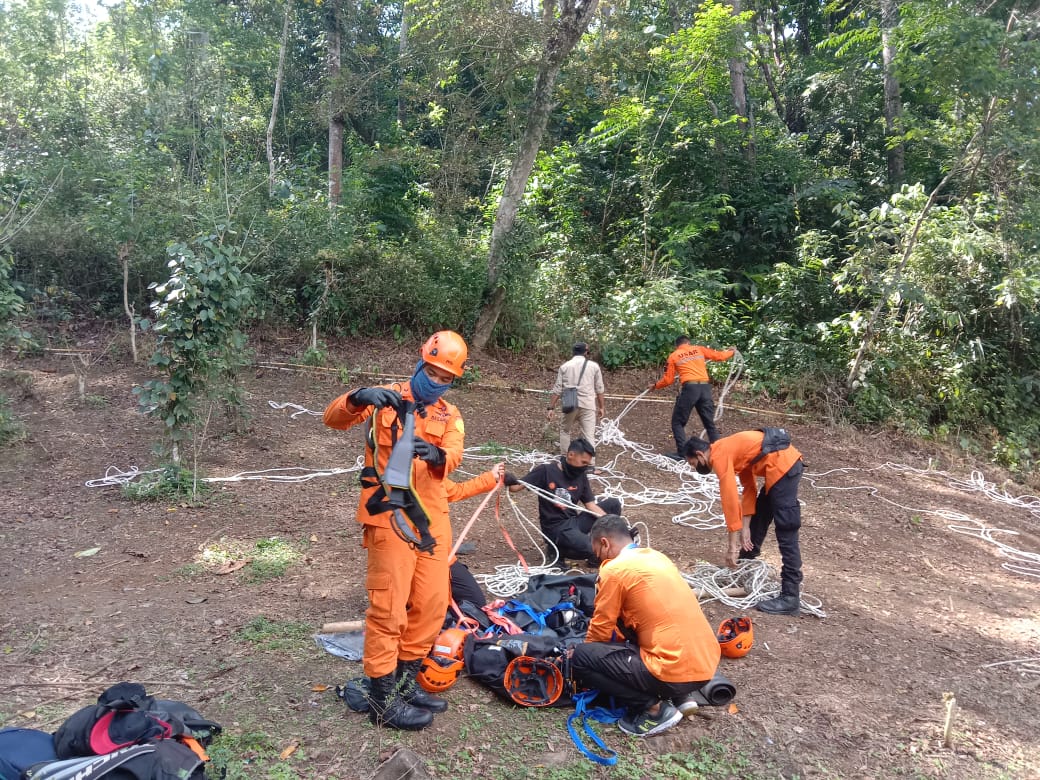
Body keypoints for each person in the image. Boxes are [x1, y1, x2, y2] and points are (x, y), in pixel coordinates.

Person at [323, 330, 468, 730]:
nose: (437, 381)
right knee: (389, 606)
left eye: (446, 377)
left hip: (432, 518)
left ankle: (404, 680)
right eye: (433, 372)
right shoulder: (384, 398)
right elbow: (333, 419)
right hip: (389, 513)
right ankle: (382, 696)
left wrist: (439, 454)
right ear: (422, 362)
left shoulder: (448, 414)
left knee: (433, 604)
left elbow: (455, 452)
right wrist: (358, 397)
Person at [570, 515, 722, 737]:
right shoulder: (656, 557)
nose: (598, 559)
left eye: (598, 554)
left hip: (672, 669)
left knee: (582, 658)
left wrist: (589, 654)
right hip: (705, 665)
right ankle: (681, 696)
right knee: (646, 628)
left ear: (605, 543)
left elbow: (601, 628)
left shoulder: (614, 570)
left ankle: (654, 709)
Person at [682, 430, 805, 615]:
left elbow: (730, 501)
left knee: (786, 528)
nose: (694, 468)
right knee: (761, 514)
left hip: (784, 467)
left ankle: (790, 596)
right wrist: (745, 527)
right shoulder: (728, 450)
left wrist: (732, 546)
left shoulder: (720, 456)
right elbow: (749, 487)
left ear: (700, 454)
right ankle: (742, 566)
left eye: (693, 464)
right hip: (778, 467)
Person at [506, 437, 621, 564]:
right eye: (583, 463)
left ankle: (595, 558)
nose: (585, 467)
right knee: (592, 547)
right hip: (556, 528)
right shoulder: (546, 471)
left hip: (573, 522)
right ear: (571, 455)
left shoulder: (581, 476)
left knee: (613, 505)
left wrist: (616, 527)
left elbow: (591, 505)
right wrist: (508, 479)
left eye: (587, 464)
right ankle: (556, 550)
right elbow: (515, 487)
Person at [649, 335, 735, 452]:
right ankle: (718, 452)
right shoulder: (698, 349)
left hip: (690, 389)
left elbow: (668, 380)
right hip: (705, 388)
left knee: (677, 422)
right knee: (709, 423)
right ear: (688, 342)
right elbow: (719, 356)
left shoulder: (674, 356)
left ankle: (683, 454)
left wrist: (655, 386)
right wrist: (731, 352)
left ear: (677, 345)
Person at [547, 342, 606, 453]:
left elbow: (558, 389)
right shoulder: (594, 366)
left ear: (573, 352)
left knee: (565, 431)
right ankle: (589, 465)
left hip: (570, 403)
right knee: (588, 436)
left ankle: (565, 460)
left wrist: (551, 408)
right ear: (585, 352)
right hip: (588, 404)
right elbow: (599, 388)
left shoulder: (565, 366)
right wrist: (602, 407)